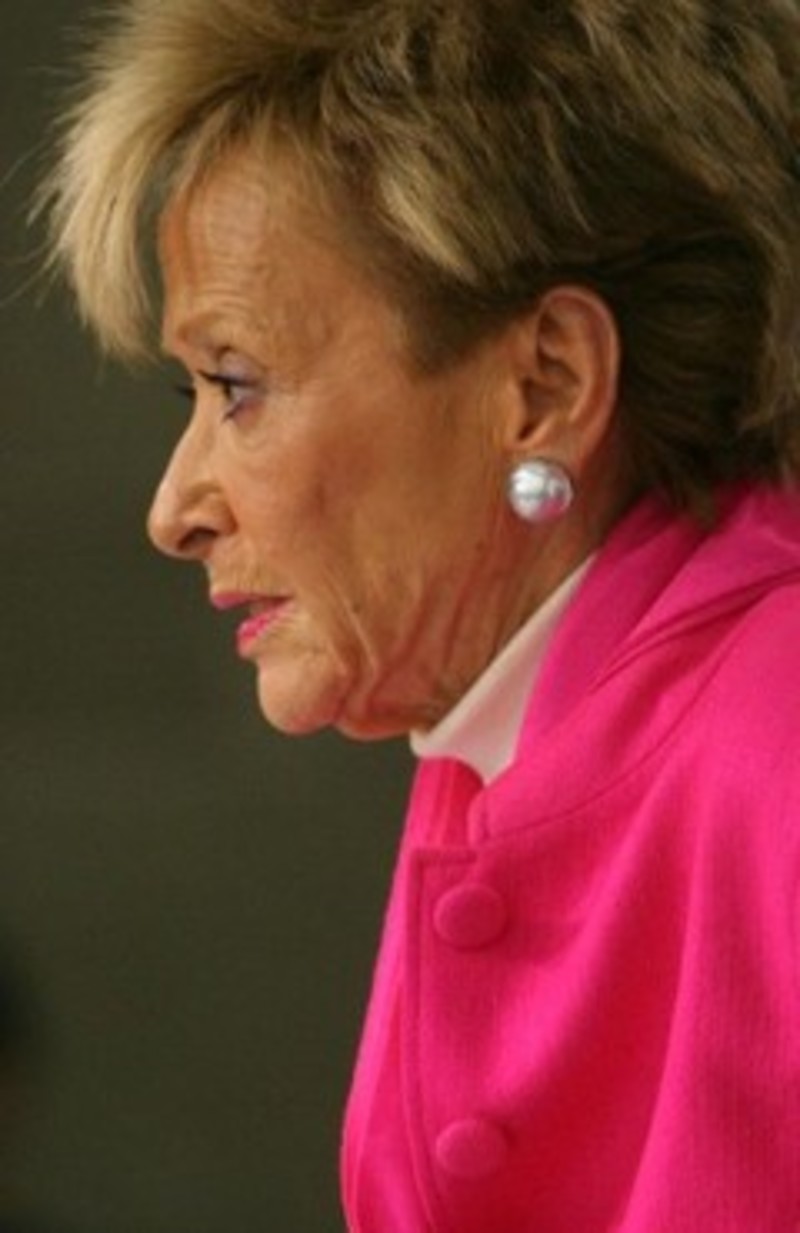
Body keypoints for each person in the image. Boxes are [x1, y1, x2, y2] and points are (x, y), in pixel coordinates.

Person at [40, 0, 800, 1228]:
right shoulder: (503, 710)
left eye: (236, 384)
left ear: (544, 384)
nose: (173, 509)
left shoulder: (777, 732)